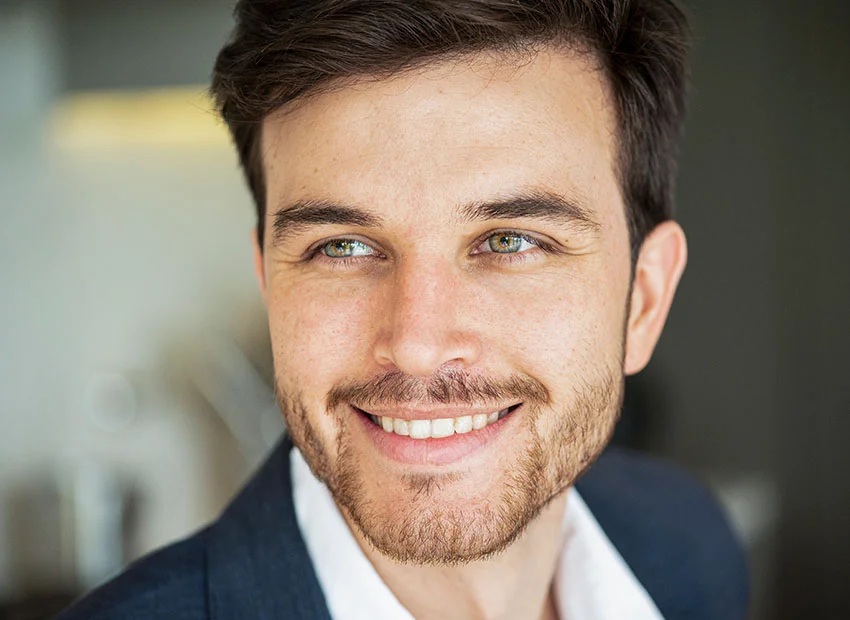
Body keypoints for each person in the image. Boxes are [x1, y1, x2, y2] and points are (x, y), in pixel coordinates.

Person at [56, 1, 748, 618]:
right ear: (271, 284)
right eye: (343, 247)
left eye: (510, 241)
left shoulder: (689, 543)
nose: (416, 343)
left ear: (644, 301)